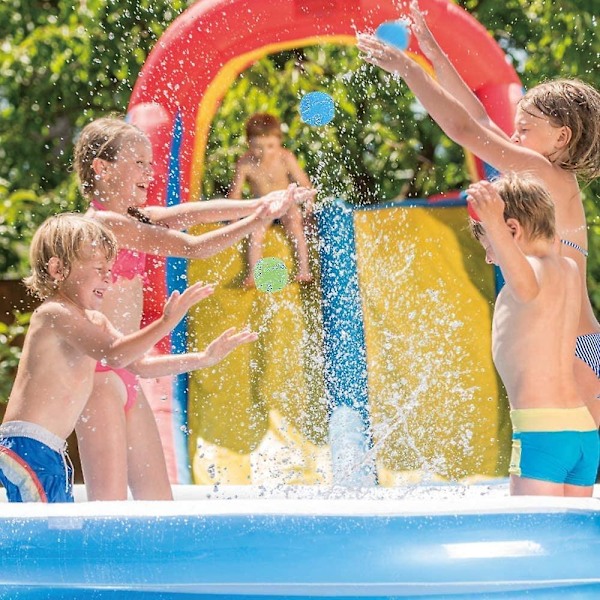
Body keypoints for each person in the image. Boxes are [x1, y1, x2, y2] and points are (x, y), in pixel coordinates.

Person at [357, 1, 600, 426]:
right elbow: (480, 117)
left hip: (574, 348)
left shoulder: (545, 173)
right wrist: (434, 55)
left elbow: (467, 131)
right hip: (578, 343)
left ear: (561, 137)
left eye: (524, 129)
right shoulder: (549, 175)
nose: (513, 134)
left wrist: (410, 70)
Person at [73, 117, 314, 501]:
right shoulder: (102, 224)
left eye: (150, 164)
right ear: (102, 168)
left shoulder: (132, 218)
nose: (148, 172)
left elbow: (189, 213)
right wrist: (256, 219)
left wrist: (260, 200)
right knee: (109, 510)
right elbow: (190, 246)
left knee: (159, 504)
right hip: (102, 382)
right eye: (138, 163)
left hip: (129, 374)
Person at [0, 214, 257, 503]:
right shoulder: (54, 313)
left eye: (110, 268)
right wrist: (165, 322)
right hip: (28, 445)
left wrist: (204, 357)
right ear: (58, 269)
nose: (108, 277)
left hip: (47, 449)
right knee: (48, 536)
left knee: (60, 532)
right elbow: (114, 354)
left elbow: (138, 364)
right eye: (98, 268)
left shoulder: (93, 319)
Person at [467, 174, 598, 496]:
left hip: (543, 433)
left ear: (512, 230)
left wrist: (493, 222)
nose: (488, 257)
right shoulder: (566, 269)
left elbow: (525, 282)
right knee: (572, 541)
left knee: (535, 535)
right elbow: (549, 245)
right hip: (583, 431)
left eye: (489, 246)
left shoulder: (529, 277)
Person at [229, 113, 315, 287]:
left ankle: (304, 270)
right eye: (258, 147)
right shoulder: (245, 163)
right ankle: (253, 273)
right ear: (248, 144)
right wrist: (234, 220)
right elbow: (235, 194)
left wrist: (309, 205)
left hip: (285, 202)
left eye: (270, 146)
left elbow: (304, 183)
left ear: (279, 141)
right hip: (264, 204)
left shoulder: (285, 158)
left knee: (295, 224)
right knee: (255, 231)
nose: (265, 152)